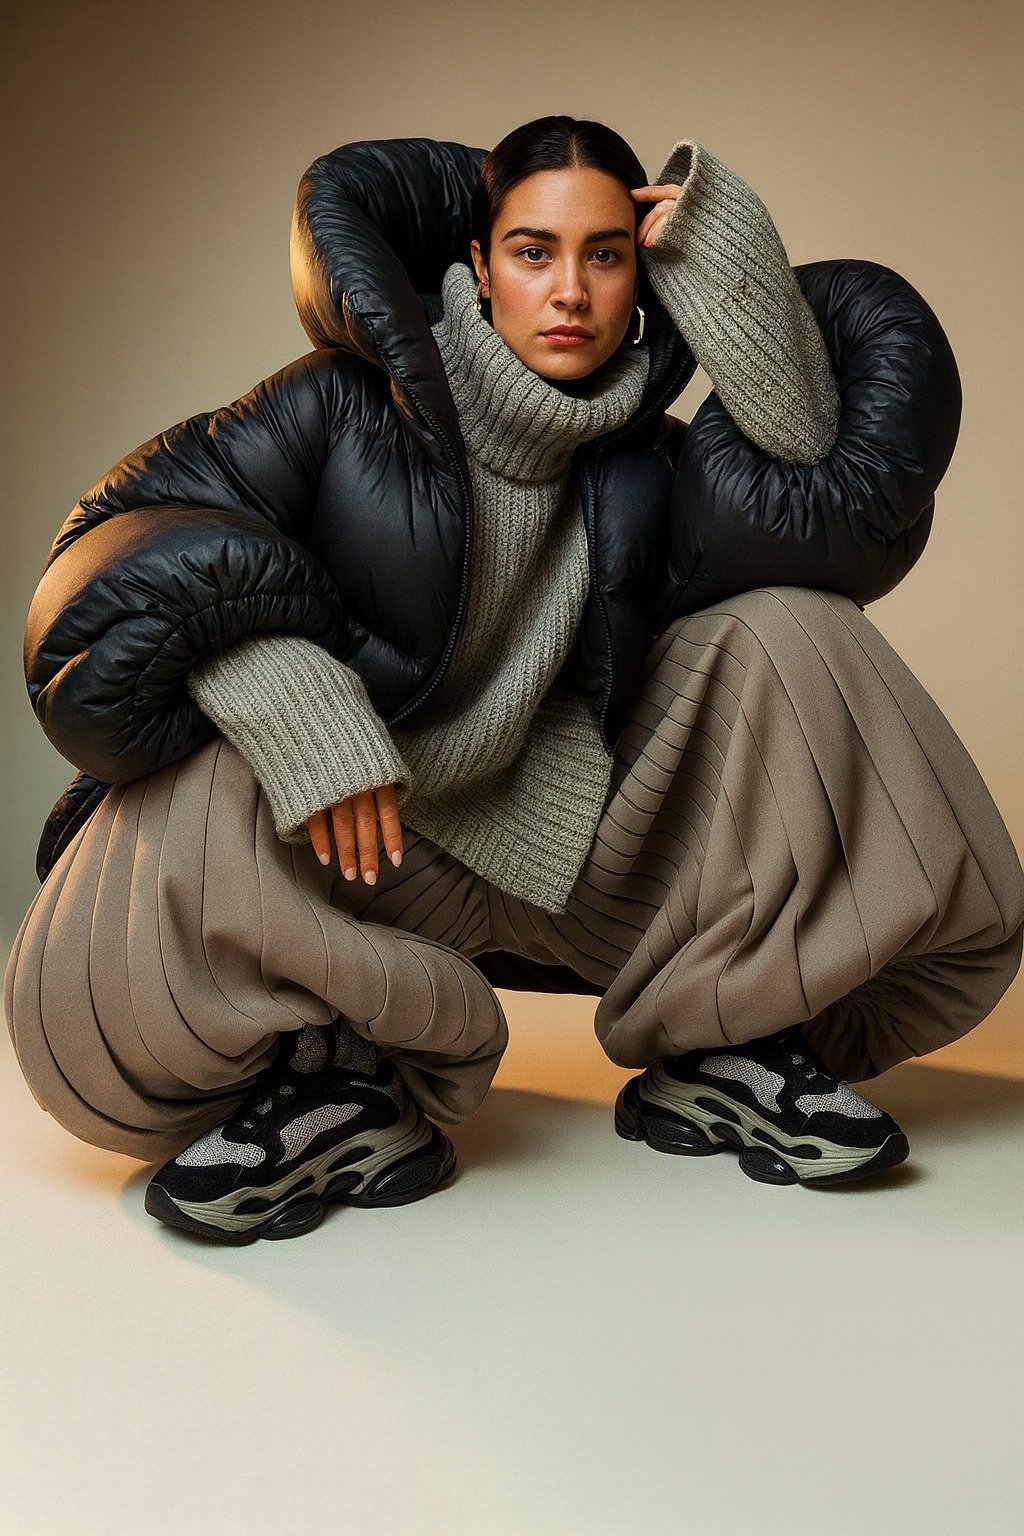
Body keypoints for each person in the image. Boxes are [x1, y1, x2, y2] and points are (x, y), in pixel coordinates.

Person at [5, 116, 1023, 1245]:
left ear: (641, 278)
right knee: (199, 744)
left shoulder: (652, 461)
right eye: (534, 252)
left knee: (791, 626)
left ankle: (728, 1041)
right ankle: (335, 1076)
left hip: (592, 859)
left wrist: (721, 256)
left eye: (605, 254)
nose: (570, 291)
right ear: (478, 269)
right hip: (363, 852)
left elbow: (825, 501)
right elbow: (101, 567)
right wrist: (286, 686)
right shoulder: (334, 407)